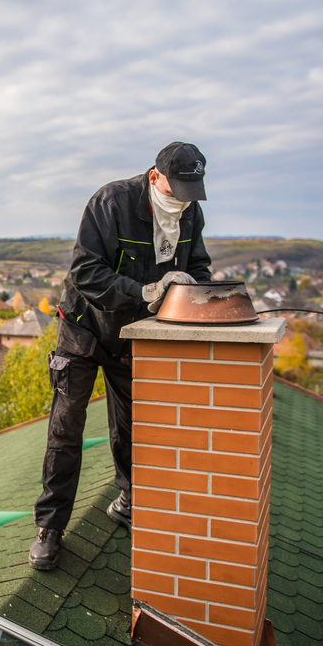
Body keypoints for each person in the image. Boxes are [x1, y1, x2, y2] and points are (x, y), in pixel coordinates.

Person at [29, 142, 213, 570]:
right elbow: (84, 270)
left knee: (132, 423)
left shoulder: (190, 213)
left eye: (192, 191)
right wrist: (142, 291)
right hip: (83, 327)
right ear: (155, 177)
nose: (183, 201)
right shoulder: (111, 202)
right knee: (67, 425)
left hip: (129, 334)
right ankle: (50, 527)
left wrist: (196, 290)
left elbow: (199, 266)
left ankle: (129, 499)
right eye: (177, 189)